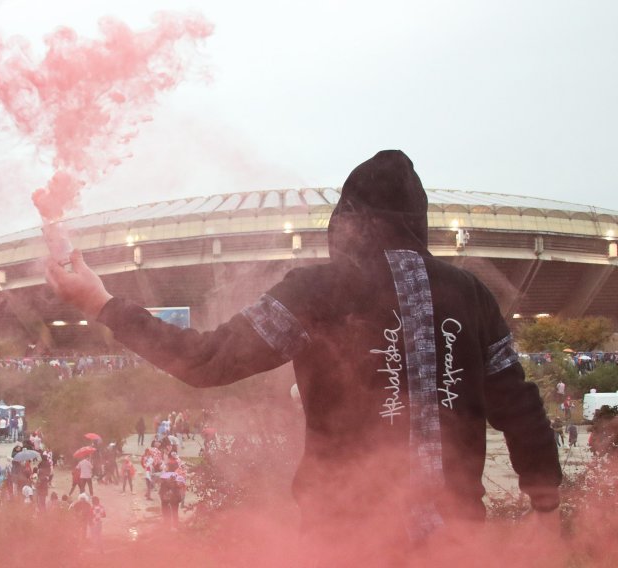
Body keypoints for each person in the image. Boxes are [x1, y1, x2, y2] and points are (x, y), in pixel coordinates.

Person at [46, 150, 562, 554]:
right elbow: (517, 405)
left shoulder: (319, 291)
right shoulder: (469, 294)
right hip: (456, 542)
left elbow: (204, 361)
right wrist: (546, 510)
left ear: (348, 218)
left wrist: (101, 302)